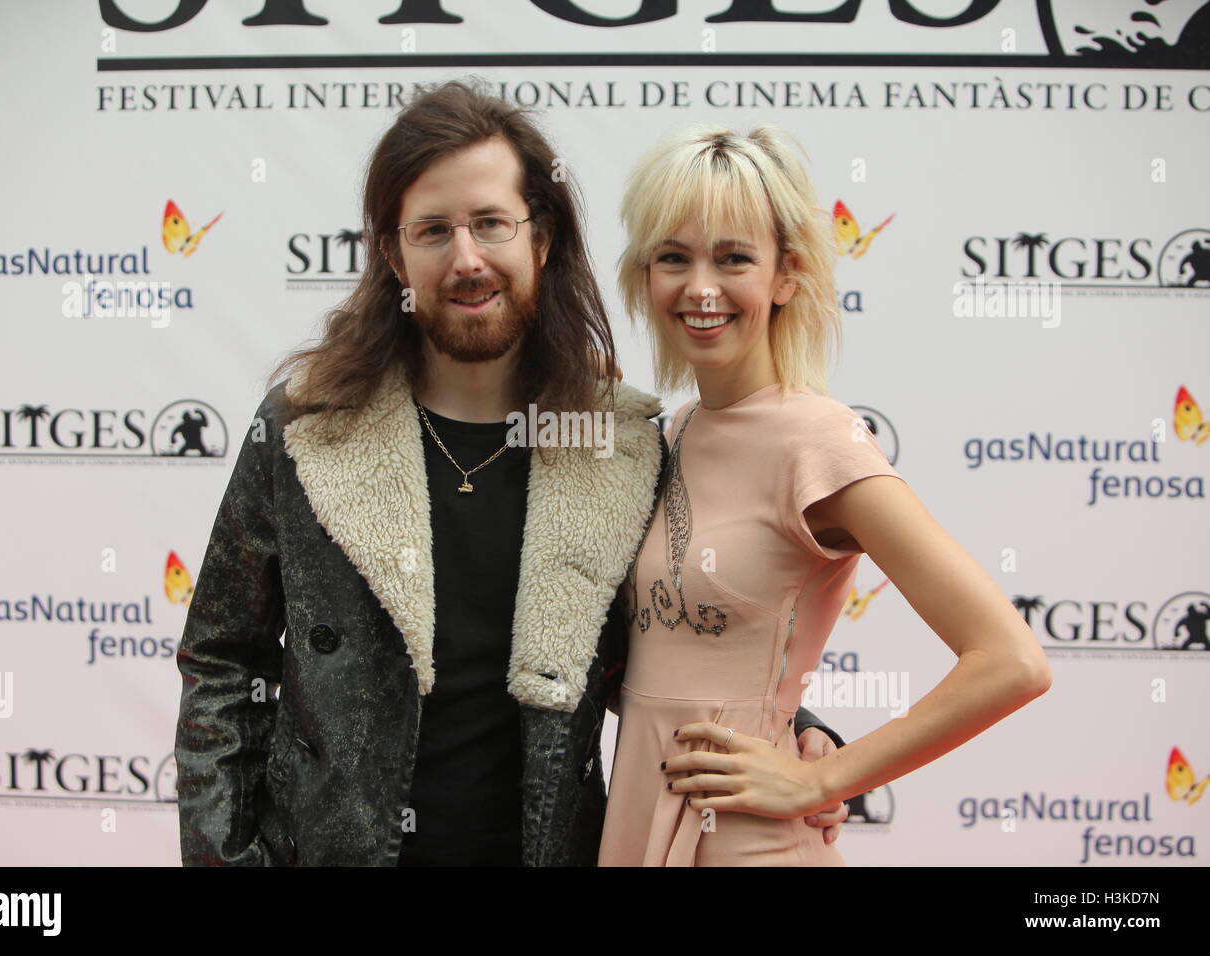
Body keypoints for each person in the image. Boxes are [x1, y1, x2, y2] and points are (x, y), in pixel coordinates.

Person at [172, 81, 849, 867]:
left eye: (491, 223)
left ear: (542, 238)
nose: (466, 260)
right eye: (432, 230)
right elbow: (222, 660)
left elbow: (676, 628)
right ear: (395, 253)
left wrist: (798, 728)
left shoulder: (617, 445)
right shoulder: (306, 426)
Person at [598, 124, 1053, 866]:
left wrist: (821, 778)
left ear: (786, 277)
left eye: (734, 257)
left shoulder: (821, 441)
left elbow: (1010, 660)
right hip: (636, 820)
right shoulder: (674, 430)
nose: (700, 287)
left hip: (749, 843)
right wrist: (810, 724)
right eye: (673, 258)